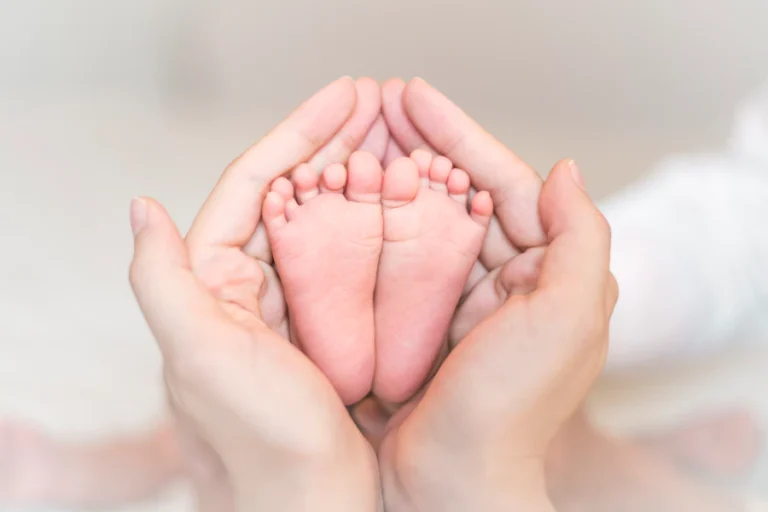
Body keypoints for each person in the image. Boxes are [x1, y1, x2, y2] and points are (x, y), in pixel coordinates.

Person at [2, 77, 617, 510]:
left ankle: (233, 447)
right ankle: (449, 394)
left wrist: (300, 478)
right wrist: (482, 467)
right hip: (489, 474)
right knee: (559, 434)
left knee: (212, 429)